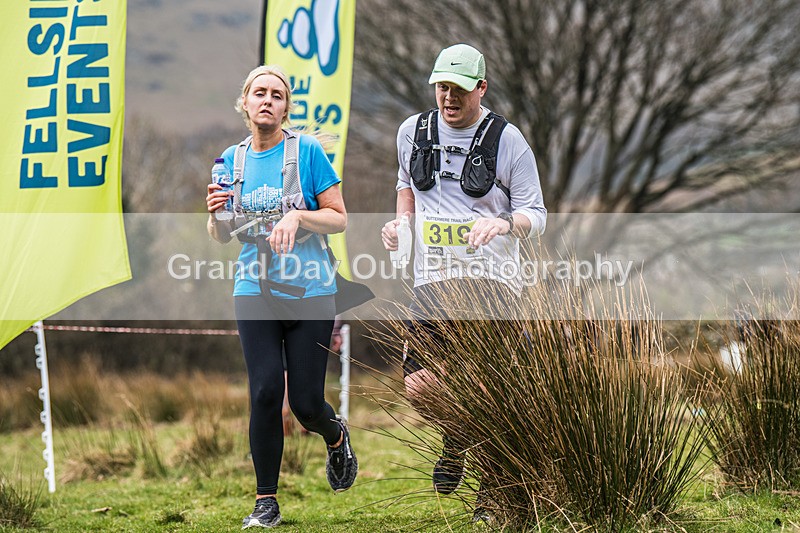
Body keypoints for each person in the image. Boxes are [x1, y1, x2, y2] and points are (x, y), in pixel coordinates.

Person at [381, 44, 546, 507]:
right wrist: (401, 227)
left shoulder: (508, 140)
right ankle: (458, 434)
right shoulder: (411, 131)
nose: (448, 97)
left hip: (493, 283)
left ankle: (492, 498)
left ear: (482, 88)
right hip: (433, 280)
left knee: (492, 389)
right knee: (419, 386)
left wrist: (504, 223)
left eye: (459, 89)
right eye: (442, 87)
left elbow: (537, 212)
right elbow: (405, 187)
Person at [207, 65, 357, 529]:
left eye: (276, 94)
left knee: (307, 403)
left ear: (286, 107)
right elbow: (221, 236)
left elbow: (339, 218)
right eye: (259, 93)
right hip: (254, 287)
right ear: (245, 103)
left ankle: (335, 437)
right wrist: (213, 217)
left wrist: (299, 218)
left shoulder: (307, 152)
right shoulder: (230, 162)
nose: (267, 100)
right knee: (266, 391)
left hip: (311, 289)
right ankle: (265, 502)